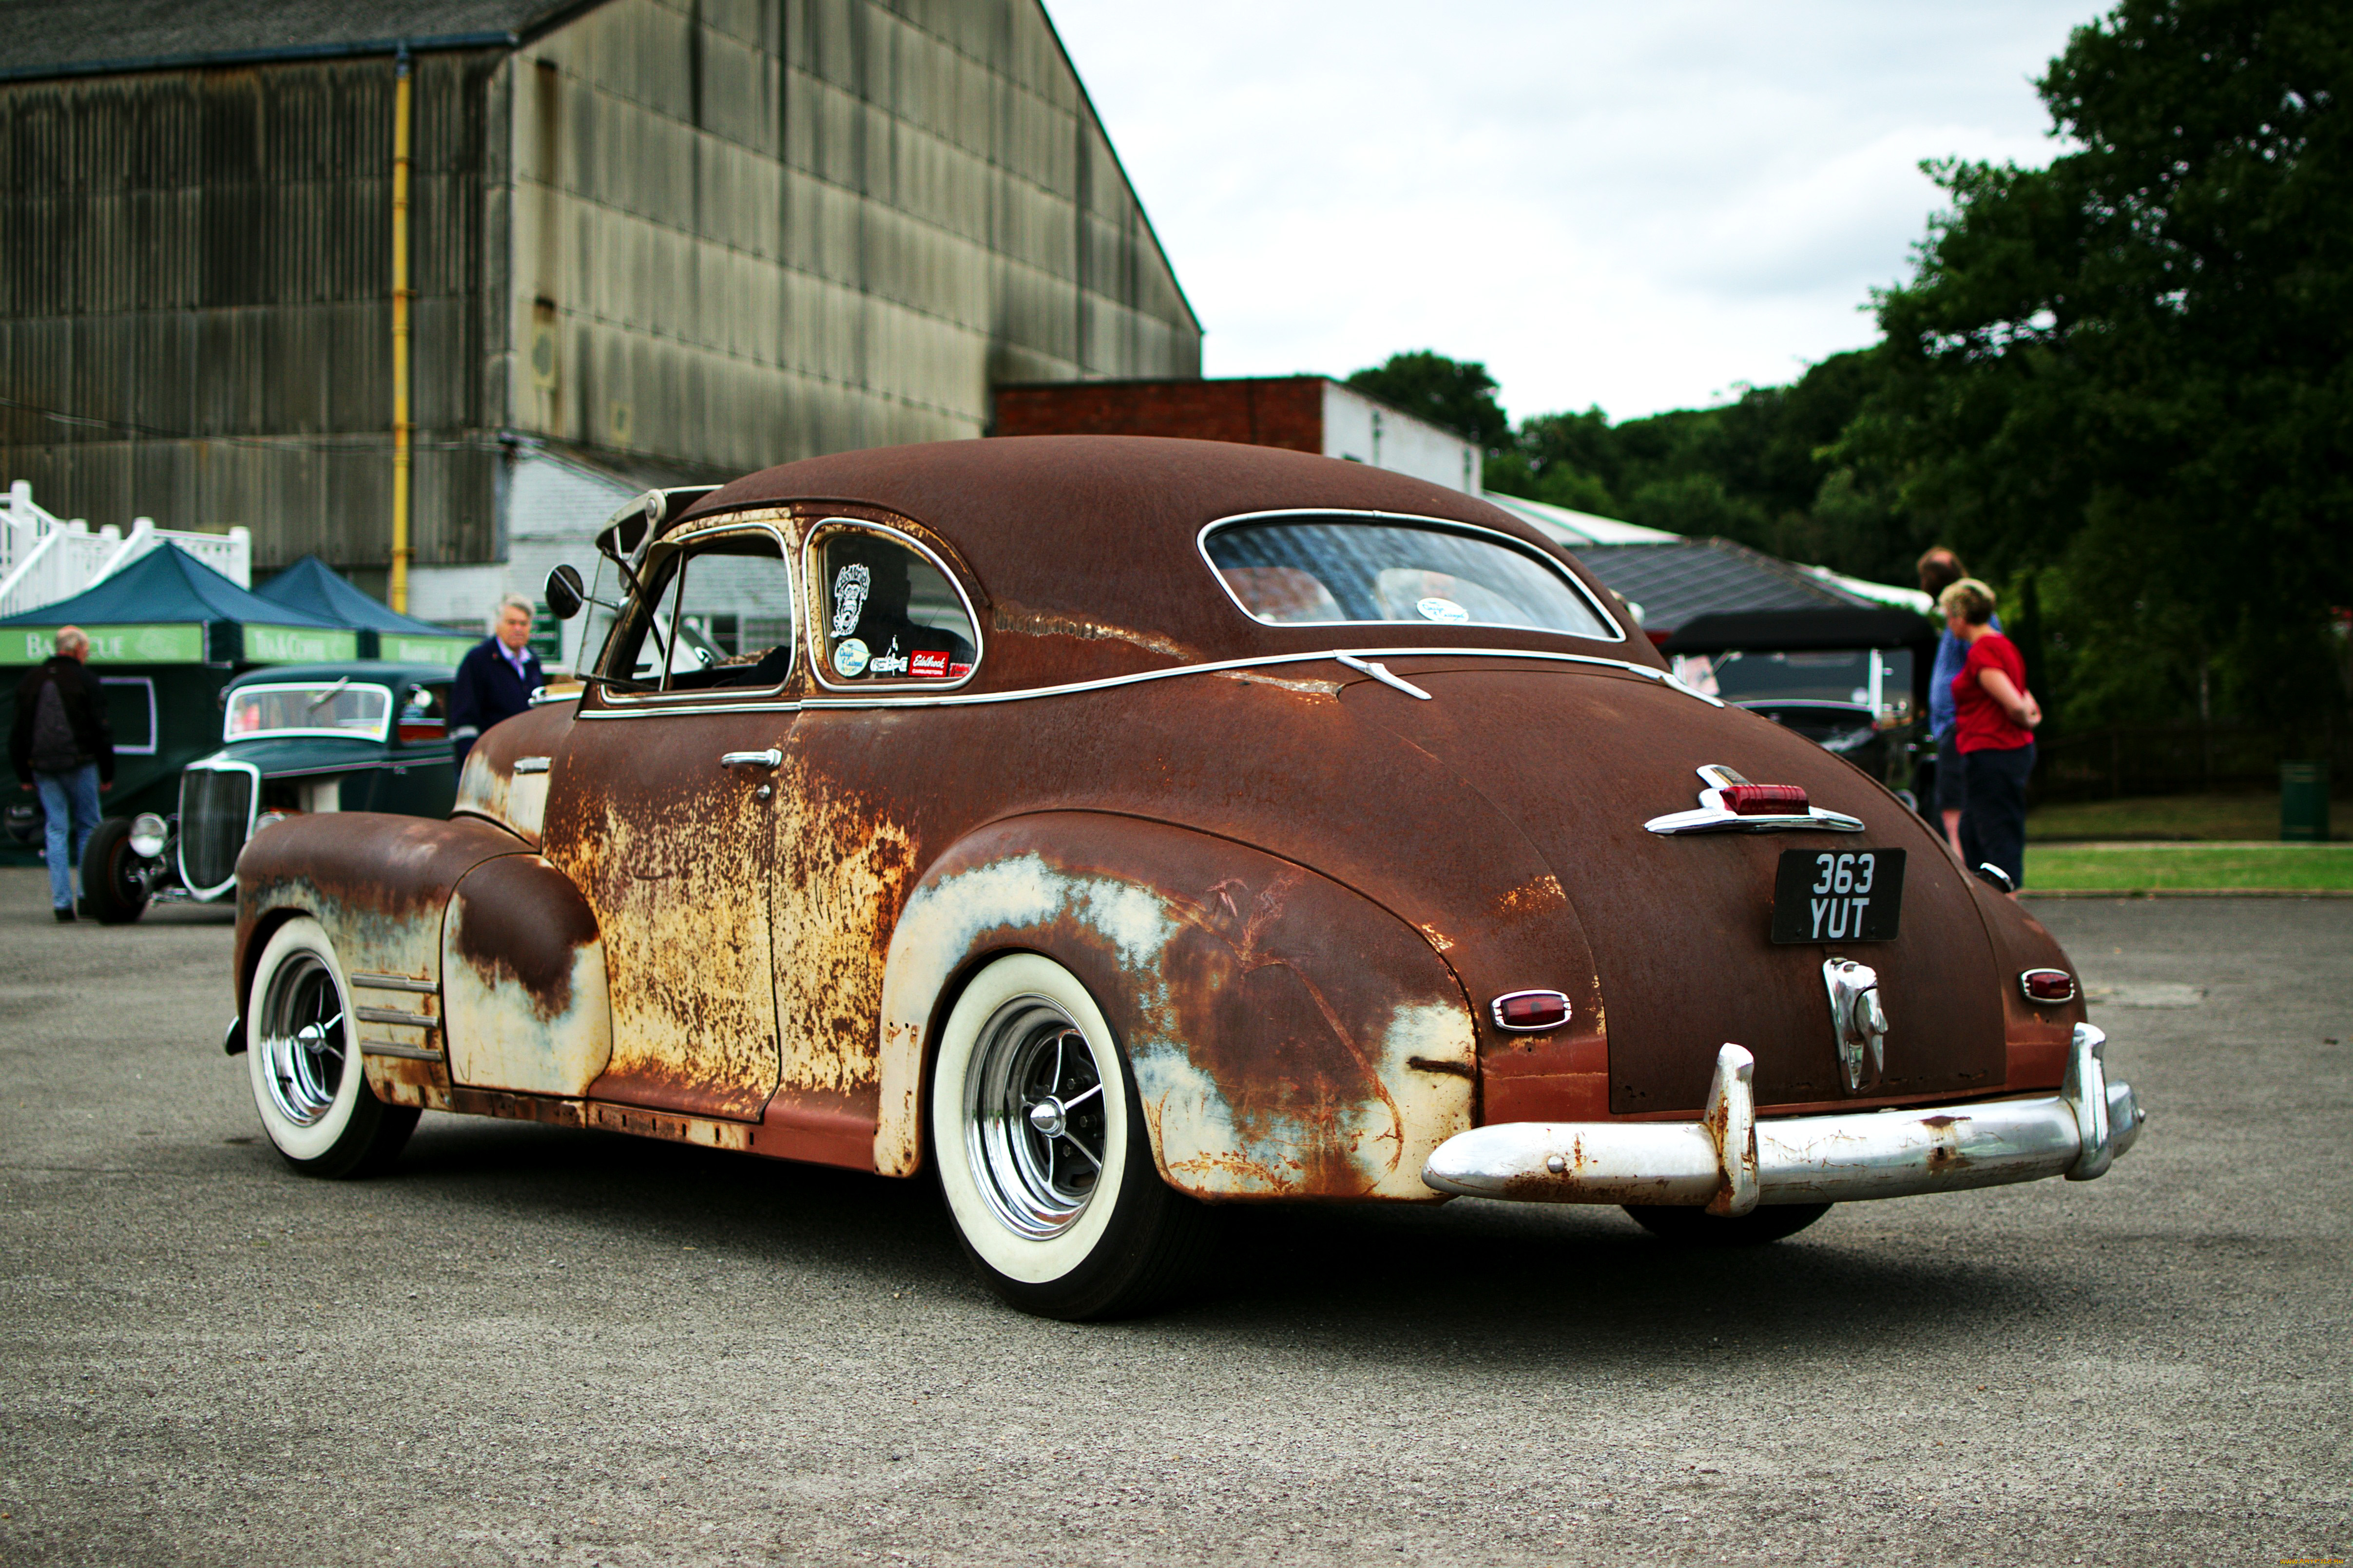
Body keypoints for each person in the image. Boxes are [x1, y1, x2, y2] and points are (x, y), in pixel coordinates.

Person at [1940, 578, 2040, 896]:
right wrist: (2029, 718)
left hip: (1993, 751)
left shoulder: (1983, 651)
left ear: (1959, 616)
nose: (1948, 623)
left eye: (1947, 615)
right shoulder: (2004, 646)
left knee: (1996, 831)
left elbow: (2014, 703)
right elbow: (2027, 702)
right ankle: (1989, 902)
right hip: (2001, 750)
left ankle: (2009, 909)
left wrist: (2022, 719)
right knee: (1971, 832)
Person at [10, 626, 114, 921]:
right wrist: (107, 771)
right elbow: (101, 729)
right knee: (89, 828)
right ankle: (87, 898)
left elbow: (18, 731)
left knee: (55, 830)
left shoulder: (32, 680)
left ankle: (61, 904)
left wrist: (24, 774)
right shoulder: (86, 680)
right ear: (77, 649)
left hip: (43, 767)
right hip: (81, 764)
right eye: (86, 650)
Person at [1917, 546, 1996, 860]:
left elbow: (1987, 667)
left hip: (1960, 725)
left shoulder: (1972, 620)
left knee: (1954, 810)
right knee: (1952, 807)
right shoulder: (1955, 619)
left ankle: (1965, 877)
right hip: (1953, 726)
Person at [449, 593, 544, 772]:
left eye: (523, 624)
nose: (518, 629)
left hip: (526, 765)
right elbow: (463, 721)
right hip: (490, 766)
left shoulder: (532, 662)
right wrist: (473, 765)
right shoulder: (478, 661)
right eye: (512, 623)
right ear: (497, 625)